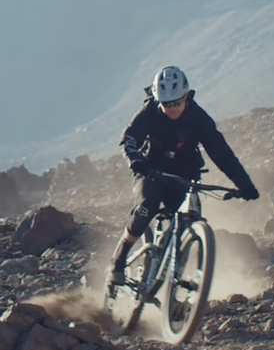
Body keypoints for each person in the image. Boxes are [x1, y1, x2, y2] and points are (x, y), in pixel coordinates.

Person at [109, 65, 260, 285]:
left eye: (176, 103)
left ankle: (174, 283)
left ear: (186, 96)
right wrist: (136, 161)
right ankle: (118, 259)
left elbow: (223, 154)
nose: (171, 109)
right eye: (165, 104)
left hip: (184, 177)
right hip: (151, 172)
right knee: (147, 207)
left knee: (187, 220)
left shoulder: (199, 119)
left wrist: (245, 185)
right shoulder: (150, 111)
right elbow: (129, 138)